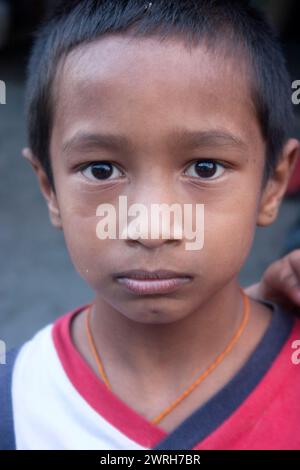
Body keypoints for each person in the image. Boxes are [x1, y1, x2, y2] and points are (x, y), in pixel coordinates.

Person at [1, 0, 300, 451]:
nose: (151, 227)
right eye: (101, 170)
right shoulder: (17, 404)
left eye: (204, 167)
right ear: (49, 189)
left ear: (274, 183)